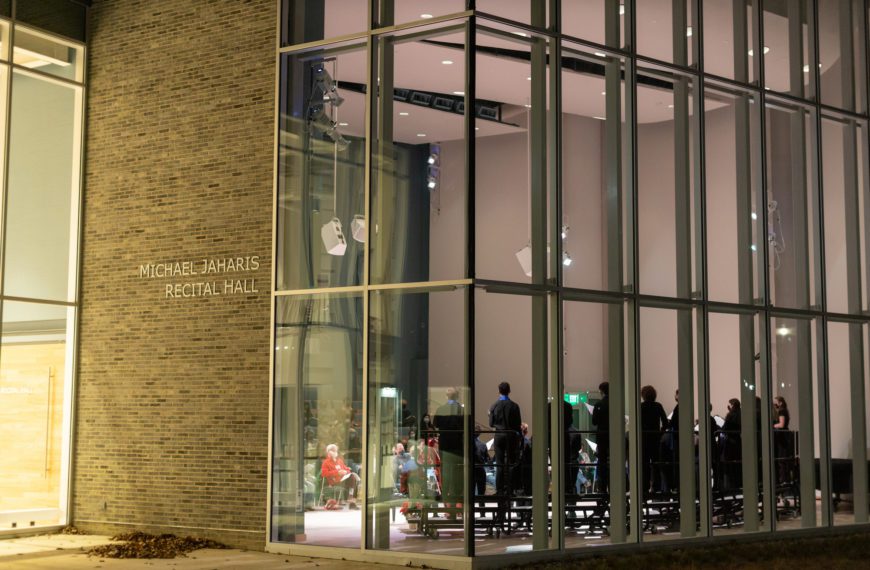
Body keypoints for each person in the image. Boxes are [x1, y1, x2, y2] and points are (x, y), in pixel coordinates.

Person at [489, 381, 522, 497]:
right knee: (511, 463)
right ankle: (510, 489)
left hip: (499, 436)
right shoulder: (514, 406)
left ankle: (499, 490)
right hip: (511, 436)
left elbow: (491, 424)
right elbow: (518, 424)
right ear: (509, 391)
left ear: (499, 391)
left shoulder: (494, 406)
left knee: (499, 464)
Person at [434, 387, 464, 507]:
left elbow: (436, 424)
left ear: (446, 396)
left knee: (445, 471)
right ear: (457, 396)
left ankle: (446, 499)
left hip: (445, 444)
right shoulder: (461, 410)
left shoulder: (441, 409)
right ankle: (457, 498)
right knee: (458, 471)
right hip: (458, 444)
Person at [640, 385, 668, 495]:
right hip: (655, 438)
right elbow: (665, 422)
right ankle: (656, 487)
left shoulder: (641, 407)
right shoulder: (658, 406)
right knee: (656, 463)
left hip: (644, 438)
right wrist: (660, 433)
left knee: (645, 464)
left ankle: (645, 488)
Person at [321, 443, 360, 509]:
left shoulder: (339, 461)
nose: (335, 452)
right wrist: (337, 473)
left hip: (342, 480)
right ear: (329, 452)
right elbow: (324, 473)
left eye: (336, 451)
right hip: (334, 482)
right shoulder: (326, 462)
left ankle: (351, 498)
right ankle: (351, 499)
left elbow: (347, 469)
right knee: (352, 479)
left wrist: (345, 472)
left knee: (353, 477)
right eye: (333, 451)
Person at [718, 399, 742, 491]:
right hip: (737, 441)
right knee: (737, 464)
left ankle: (729, 486)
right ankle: (737, 483)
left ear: (732, 405)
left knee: (729, 464)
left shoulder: (731, 415)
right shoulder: (741, 414)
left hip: (730, 442)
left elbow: (725, 428)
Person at [591, 381, 610, 492]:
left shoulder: (599, 404)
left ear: (602, 391)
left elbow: (594, 421)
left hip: (602, 436)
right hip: (613, 436)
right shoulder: (616, 403)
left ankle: (602, 489)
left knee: (602, 462)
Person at [516, 423, 533, 495]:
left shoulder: (515, 442)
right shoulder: (528, 442)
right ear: (526, 432)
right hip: (527, 466)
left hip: (519, 466)